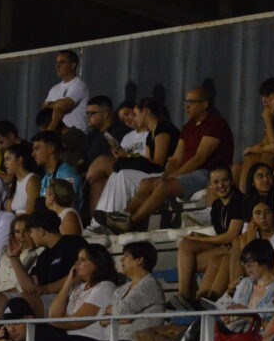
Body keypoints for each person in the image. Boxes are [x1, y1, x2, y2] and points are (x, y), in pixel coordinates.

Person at [114, 88, 234, 232]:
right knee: (146, 183)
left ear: (204, 104)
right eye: (185, 102)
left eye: (191, 102)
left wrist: (170, 178)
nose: (186, 106)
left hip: (206, 173)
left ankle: (131, 223)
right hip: (188, 173)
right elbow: (176, 159)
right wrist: (165, 176)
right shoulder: (188, 127)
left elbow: (199, 159)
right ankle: (123, 215)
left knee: (162, 186)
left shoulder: (215, 123)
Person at [90, 98, 179, 233]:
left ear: (145, 112)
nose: (134, 119)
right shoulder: (151, 135)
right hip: (152, 171)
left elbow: (159, 163)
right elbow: (148, 159)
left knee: (123, 175)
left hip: (163, 173)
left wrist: (131, 159)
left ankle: (115, 220)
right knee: (115, 175)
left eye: (135, 114)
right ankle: (99, 222)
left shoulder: (164, 128)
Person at [170, 166, 245, 307]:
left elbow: (231, 236)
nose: (220, 185)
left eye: (224, 181)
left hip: (237, 248)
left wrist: (201, 239)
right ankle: (184, 295)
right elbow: (222, 235)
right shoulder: (217, 205)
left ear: (232, 181)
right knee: (186, 243)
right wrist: (198, 236)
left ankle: (200, 298)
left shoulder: (239, 200)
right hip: (224, 247)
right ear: (210, 185)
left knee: (213, 260)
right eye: (216, 182)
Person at [8, 209, 88, 316]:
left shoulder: (73, 242)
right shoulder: (43, 256)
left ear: (41, 231)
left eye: (31, 231)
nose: (30, 236)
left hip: (70, 298)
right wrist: (14, 258)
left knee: (24, 301)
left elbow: (80, 274)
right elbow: (30, 288)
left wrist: (46, 289)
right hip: (47, 299)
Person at [82, 95, 131, 212]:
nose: (87, 117)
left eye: (91, 113)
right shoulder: (90, 137)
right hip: (91, 178)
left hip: (113, 179)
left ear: (104, 114)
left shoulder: (121, 132)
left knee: (97, 182)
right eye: (87, 113)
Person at [41, 49, 90, 133]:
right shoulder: (54, 89)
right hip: (58, 136)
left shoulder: (79, 85)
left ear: (73, 65)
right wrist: (55, 105)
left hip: (75, 134)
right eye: (57, 63)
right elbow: (43, 111)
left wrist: (50, 105)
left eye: (62, 62)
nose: (57, 66)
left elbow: (63, 106)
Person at [32, 131, 82, 210]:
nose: (33, 154)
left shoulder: (67, 174)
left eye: (37, 148)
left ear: (52, 149)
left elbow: (67, 208)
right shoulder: (45, 178)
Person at [3, 142, 41, 216]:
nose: (4, 163)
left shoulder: (32, 180)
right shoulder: (13, 184)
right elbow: (8, 212)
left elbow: (31, 212)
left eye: (8, 159)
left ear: (20, 160)